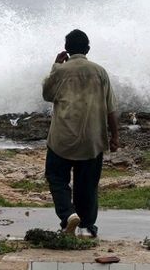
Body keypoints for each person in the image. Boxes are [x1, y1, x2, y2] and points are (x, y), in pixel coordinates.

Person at [42, 29, 119, 237]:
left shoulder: (61, 71)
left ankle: (68, 215)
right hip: (92, 139)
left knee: (56, 177)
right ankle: (87, 225)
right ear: (87, 49)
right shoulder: (100, 72)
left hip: (62, 138)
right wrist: (115, 136)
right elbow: (111, 108)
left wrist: (56, 65)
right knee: (88, 184)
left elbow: (47, 95)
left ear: (66, 49)